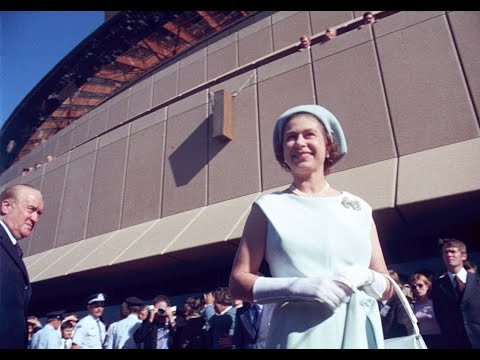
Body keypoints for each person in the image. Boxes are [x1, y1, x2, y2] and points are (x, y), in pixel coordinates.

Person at [229, 104, 392, 349]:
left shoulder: (359, 208)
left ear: (328, 146)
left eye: (309, 134)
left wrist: (366, 276)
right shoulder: (268, 207)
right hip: (298, 336)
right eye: (290, 138)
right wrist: (302, 287)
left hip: (359, 334)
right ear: (283, 152)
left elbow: (386, 287)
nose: (299, 142)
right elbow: (238, 283)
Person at [0, 184, 44, 349]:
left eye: (38, 213)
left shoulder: (12, 249)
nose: (35, 219)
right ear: (6, 206)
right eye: (31, 209)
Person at [432, 238, 480, 348]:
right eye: (445, 252)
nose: (449, 255)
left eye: (453, 251)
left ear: (463, 256)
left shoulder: (478, 281)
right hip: (455, 341)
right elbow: (440, 315)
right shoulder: (438, 286)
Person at [409, 273, 442, 348]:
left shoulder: (435, 303)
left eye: (420, 285)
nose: (417, 288)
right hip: (422, 339)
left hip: (439, 337)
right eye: (414, 287)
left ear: (427, 286)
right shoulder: (412, 306)